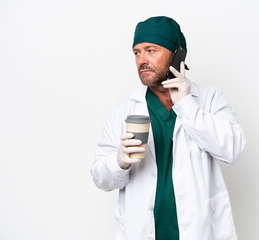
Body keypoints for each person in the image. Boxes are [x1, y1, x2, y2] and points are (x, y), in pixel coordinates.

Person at [91, 16, 246, 240]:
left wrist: (187, 105)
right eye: (137, 52)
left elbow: (233, 149)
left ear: (177, 54)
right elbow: (100, 177)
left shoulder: (210, 100)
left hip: (198, 231)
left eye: (151, 50)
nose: (141, 60)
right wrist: (119, 162)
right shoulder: (122, 110)